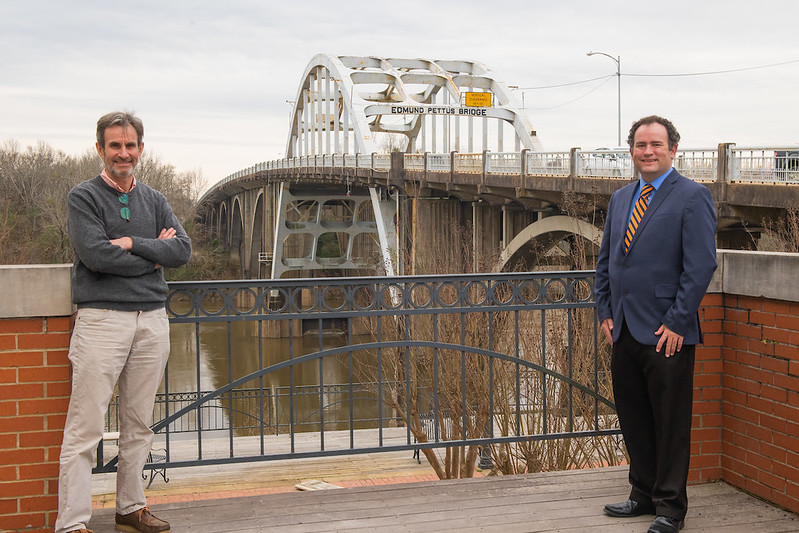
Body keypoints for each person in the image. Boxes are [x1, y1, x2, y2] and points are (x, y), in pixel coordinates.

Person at [55, 111, 191, 533]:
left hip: (152, 321)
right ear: (100, 149)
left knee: (139, 422)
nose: (123, 153)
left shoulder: (155, 199)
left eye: (130, 145)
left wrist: (133, 243)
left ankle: (130, 507)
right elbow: (96, 256)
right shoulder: (84, 197)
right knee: (86, 425)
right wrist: (154, 256)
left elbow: (182, 250)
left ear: (141, 149)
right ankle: (72, 523)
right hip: (102, 321)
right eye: (115, 145)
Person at [594, 116, 717, 533]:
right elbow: (606, 261)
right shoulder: (620, 198)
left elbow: (700, 266)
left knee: (669, 423)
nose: (648, 151)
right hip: (624, 329)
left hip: (668, 332)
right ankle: (641, 493)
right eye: (640, 144)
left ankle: (670, 508)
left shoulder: (692, 197)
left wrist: (679, 322)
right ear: (632, 150)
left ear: (672, 150)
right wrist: (604, 311)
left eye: (656, 144)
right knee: (634, 417)